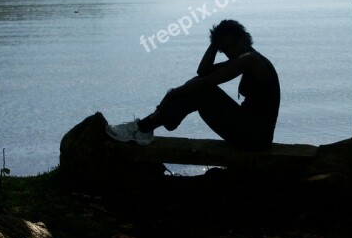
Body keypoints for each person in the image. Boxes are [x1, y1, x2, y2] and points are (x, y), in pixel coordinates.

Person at [106, 20, 280, 150]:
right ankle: (145, 127)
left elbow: (206, 81)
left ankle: (144, 127)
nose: (230, 52)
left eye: (233, 46)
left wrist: (173, 93)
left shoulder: (251, 60)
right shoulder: (243, 59)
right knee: (198, 87)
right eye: (225, 50)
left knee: (202, 90)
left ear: (244, 38)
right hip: (250, 133)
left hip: (255, 139)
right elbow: (203, 71)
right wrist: (215, 43)